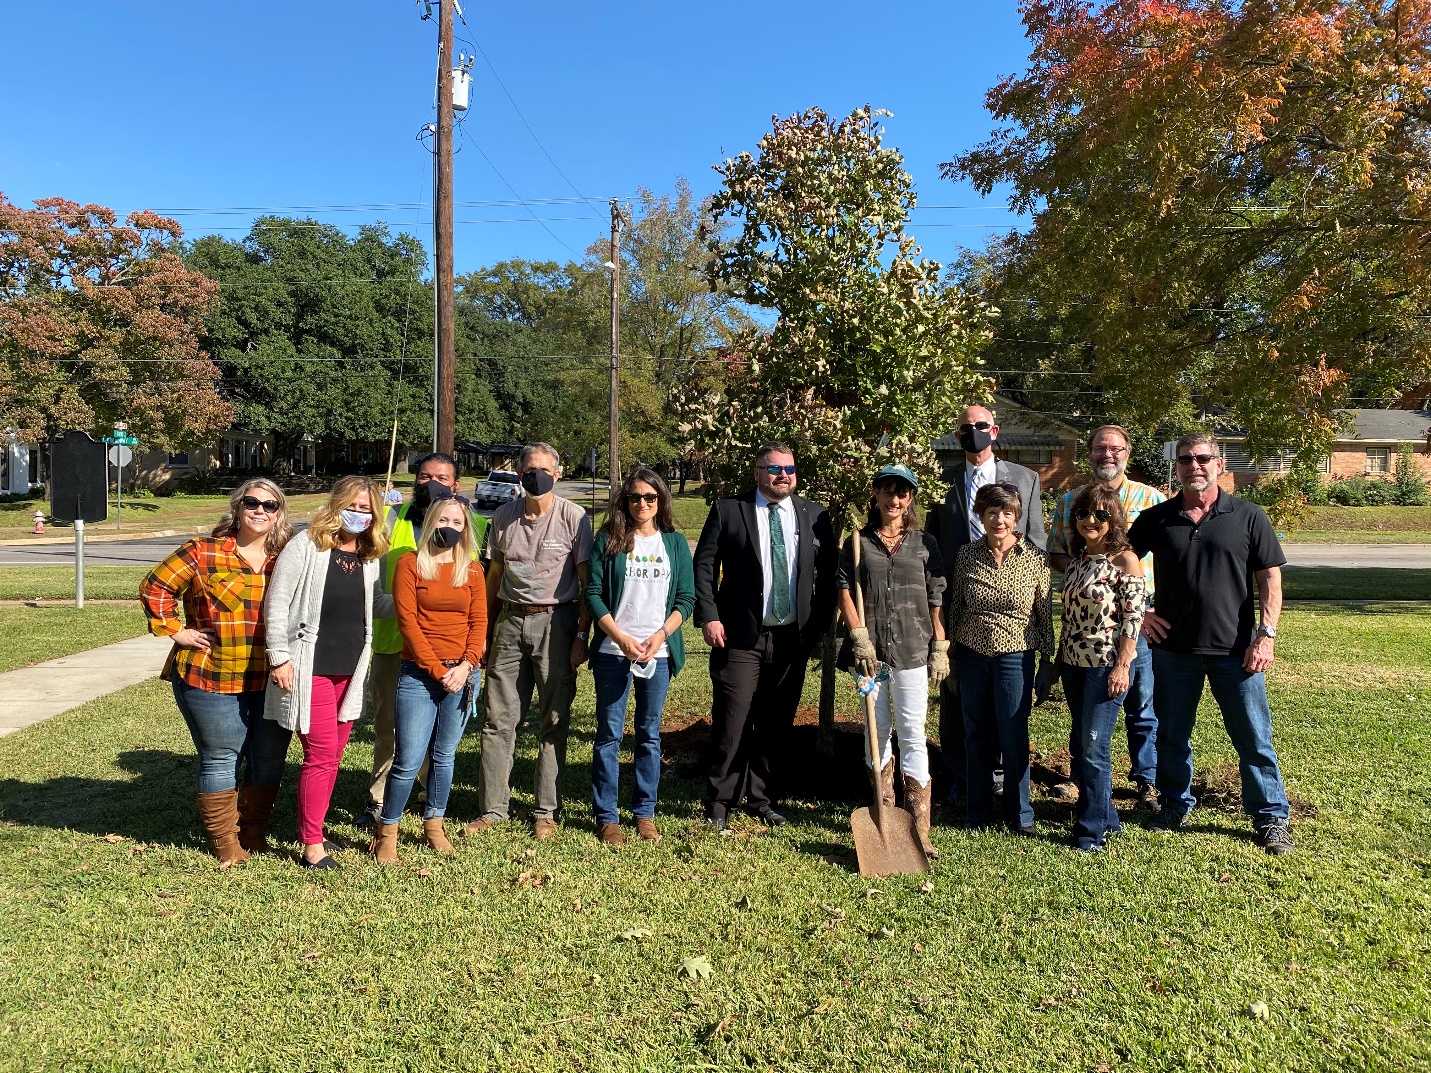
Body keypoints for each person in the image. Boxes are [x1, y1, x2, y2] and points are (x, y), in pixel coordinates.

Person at [1128, 432, 1295, 854]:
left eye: (1203, 458)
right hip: (1173, 653)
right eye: (1185, 459)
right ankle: (1173, 805)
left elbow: (1270, 578)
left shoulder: (1248, 515)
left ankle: (1270, 817)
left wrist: (1266, 635)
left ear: (1218, 464)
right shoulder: (1157, 518)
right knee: (1171, 735)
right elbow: (1117, 559)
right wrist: (1142, 610)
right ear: (1177, 467)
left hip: (1235, 652)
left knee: (1254, 738)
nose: (1194, 465)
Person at [139, 479, 295, 866]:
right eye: (252, 502)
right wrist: (177, 631)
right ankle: (226, 842)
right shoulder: (202, 552)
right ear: (237, 507)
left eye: (269, 505)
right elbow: (155, 586)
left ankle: (253, 832)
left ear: (279, 513)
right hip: (212, 676)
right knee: (221, 757)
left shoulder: (288, 558)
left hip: (274, 677)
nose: (260, 510)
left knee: (270, 758)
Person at [692, 442, 838, 831]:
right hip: (738, 637)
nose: (783, 476)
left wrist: (819, 627)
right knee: (732, 719)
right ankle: (720, 802)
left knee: (777, 722)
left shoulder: (815, 515)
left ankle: (762, 798)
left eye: (789, 469)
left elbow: (828, 578)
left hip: (792, 639)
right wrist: (709, 616)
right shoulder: (729, 510)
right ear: (757, 472)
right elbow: (704, 566)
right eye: (774, 469)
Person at [263, 476, 390, 869]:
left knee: (333, 756)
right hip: (309, 667)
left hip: (349, 672)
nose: (359, 514)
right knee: (319, 756)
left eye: (367, 509)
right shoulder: (308, 545)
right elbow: (277, 602)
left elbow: (374, 606)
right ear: (337, 506)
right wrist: (278, 657)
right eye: (353, 506)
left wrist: (418, 598)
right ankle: (311, 844)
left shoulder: (368, 558)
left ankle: (313, 826)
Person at [466, 443, 592, 840]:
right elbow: (493, 576)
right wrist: (484, 631)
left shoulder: (574, 518)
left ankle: (545, 811)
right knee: (497, 719)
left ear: (557, 473)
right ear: (519, 473)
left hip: (557, 622)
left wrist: (581, 636)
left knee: (553, 719)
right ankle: (493, 809)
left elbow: (588, 584)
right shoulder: (503, 516)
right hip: (508, 621)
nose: (534, 475)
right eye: (528, 468)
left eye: (542, 469)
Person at [359, 453, 487, 830]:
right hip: (395, 645)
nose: (431, 484)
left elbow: (480, 602)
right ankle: (379, 803)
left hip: (457, 653)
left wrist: (470, 660)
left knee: (441, 745)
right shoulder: (392, 522)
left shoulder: (477, 525)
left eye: (441, 478)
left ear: (456, 485)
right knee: (390, 731)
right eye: (424, 476)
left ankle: (431, 803)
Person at [926, 403, 1046, 805]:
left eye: (980, 425)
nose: (973, 432)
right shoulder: (941, 481)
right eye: (965, 428)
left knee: (1008, 706)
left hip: (1011, 606)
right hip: (959, 604)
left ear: (994, 431)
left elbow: (1036, 541)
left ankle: (1002, 779)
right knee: (957, 698)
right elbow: (932, 542)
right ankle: (964, 778)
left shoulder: (1026, 479)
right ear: (957, 435)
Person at [1050, 424, 1165, 809]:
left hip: (1138, 623)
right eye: (1100, 449)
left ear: (1128, 452)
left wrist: (1146, 606)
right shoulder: (1070, 501)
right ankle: (1080, 778)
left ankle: (1147, 779)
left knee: (1141, 703)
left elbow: (1168, 558)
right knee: (1084, 708)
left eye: (1115, 448)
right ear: (1090, 453)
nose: (1107, 455)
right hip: (1088, 628)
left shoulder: (1152, 500)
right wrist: (1092, 571)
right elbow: (1057, 553)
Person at [835, 463, 947, 858]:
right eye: (888, 492)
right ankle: (884, 816)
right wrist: (858, 635)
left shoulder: (924, 543)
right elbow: (845, 590)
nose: (894, 499)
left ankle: (919, 827)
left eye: (902, 493)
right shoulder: (857, 542)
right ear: (876, 495)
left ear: (911, 498)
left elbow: (936, 596)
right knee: (875, 729)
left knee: (913, 731)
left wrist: (940, 645)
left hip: (913, 650)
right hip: (870, 656)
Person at [584, 467, 696, 845]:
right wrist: (620, 636)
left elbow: (686, 598)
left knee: (649, 736)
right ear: (625, 501)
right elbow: (594, 594)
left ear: (661, 500)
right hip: (614, 651)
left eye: (650, 497)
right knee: (609, 735)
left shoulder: (675, 543)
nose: (643, 504)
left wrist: (660, 635)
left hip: (658, 652)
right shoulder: (610, 539)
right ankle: (607, 816)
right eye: (635, 497)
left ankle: (644, 813)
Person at [946, 482, 1055, 834]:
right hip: (971, 652)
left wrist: (1047, 661)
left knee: (1013, 734)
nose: (999, 520)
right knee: (975, 732)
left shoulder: (1035, 558)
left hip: (1015, 655)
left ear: (1017, 516)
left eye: (1007, 513)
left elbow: (1043, 613)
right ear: (981, 515)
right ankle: (977, 813)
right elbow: (957, 607)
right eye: (992, 512)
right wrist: (948, 655)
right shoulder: (967, 555)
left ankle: (1019, 814)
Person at [1056, 485, 1145, 852]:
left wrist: (1122, 665)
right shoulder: (1077, 562)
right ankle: (1107, 816)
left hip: (1105, 665)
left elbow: (1132, 618)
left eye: (1100, 515)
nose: (1090, 521)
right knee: (1081, 744)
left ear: (1113, 521)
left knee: (1094, 748)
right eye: (1083, 514)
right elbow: (1068, 619)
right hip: (1075, 665)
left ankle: (1090, 831)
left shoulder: (1125, 560)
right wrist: (1056, 665)